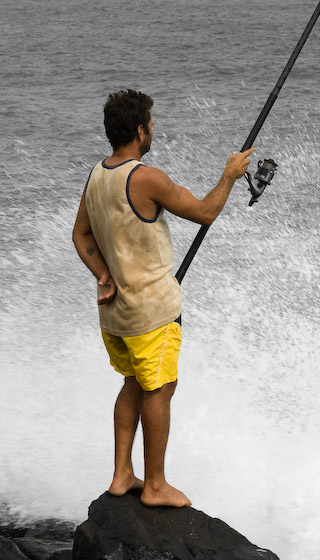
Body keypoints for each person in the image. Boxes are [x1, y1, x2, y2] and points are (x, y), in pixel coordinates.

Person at [72, 89, 254, 508]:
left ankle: (122, 474)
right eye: (151, 123)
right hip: (152, 314)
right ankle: (155, 485)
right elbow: (206, 211)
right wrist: (229, 174)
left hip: (115, 316)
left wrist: (103, 274)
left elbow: (80, 234)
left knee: (133, 382)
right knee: (160, 387)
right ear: (139, 130)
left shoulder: (97, 175)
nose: (154, 129)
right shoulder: (146, 178)